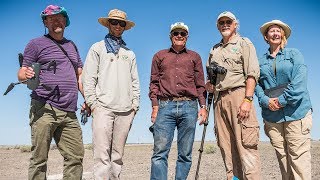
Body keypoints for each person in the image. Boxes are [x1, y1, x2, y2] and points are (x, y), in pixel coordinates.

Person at [17, 5, 88, 179]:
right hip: (44, 107)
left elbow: (80, 75)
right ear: (45, 22)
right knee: (39, 159)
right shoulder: (35, 44)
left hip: (70, 111)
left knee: (75, 157)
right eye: (52, 18)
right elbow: (22, 72)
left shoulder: (72, 46)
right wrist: (24, 74)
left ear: (65, 21)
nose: (57, 21)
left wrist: (88, 99)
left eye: (60, 18)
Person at [82, 9, 140, 179]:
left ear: (124, 27)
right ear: (108, 24)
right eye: (114, 22)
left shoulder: (129, 53)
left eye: (121, 23)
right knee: (101, 156)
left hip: (125, 110)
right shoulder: (97, 48)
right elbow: (88, 78)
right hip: (103, 109)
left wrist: (134, 106)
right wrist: (93, 104)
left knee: (117, 156)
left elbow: (135, 81)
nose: (117, 25)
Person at [205, 11, 261, 180]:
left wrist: (247, 99)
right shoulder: (214, 50)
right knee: (226, 148)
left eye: (228, 21)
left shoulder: (244, 43)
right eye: (221, 22)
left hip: (239, 95)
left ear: (235, 24)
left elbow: (252, 74)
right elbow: (210, 81)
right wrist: (209, 85)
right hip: (219, 100)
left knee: (246, 147)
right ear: (217, 26)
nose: (225, 25)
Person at [149, 22, 208, 180]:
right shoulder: (159, 56)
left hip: (189, 106)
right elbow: (154, 84)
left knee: (185, 153)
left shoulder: (194, 57)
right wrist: (155, 106)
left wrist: (203, 107)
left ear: (187, 37)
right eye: (176, 33)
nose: (179, 36)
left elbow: (200, 84)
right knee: (159, 152)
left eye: (183, 33)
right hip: (164, 106)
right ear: (171, 36)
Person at [255, 20, 313, 180]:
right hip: (272, 118)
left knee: (299, 161)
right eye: (271, 31)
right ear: (266, 37)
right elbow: (255, 85)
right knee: (284, 161)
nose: (275, 33)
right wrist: (266, 101)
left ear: (283, 35)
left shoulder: (294, 54)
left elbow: (299, 82)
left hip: (297, 114)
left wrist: (281, 100)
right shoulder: (259, 61)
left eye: (278, 31)